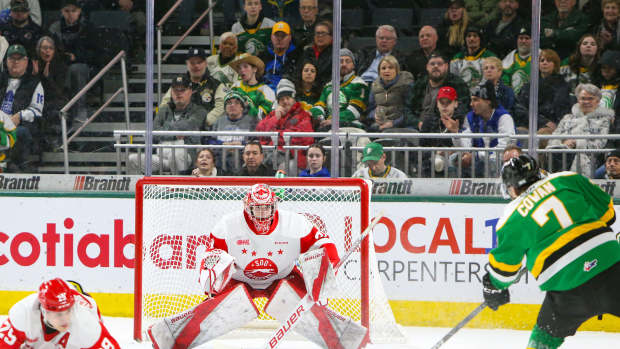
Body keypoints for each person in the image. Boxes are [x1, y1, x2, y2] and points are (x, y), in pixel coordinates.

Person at [147, 183, 369, 349]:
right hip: (238, 278)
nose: (263, 214)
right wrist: (212, 280)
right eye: (257, 209)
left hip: (282, 277)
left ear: (274, 206)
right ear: (247, 207)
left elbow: (323, 243)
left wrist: (330, 263)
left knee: (310, 306)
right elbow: (210, 258)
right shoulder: (227, 226)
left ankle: (342, 339)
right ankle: (173, 337)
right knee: (212, 308)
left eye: (267, 208)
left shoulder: (294, 223)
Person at [482, 154, 620, 349]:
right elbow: (608, 213)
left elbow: (504, 271)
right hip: (611, 267)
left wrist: (492, 287)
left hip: (566, 290)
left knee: (542, 341)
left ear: (511, 187)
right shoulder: (568, 179)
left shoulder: (511, 217)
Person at [0, 278, 121, 348]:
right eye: (58, 314)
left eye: (68, 311)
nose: (65, 319)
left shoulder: (86, 324)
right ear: (44, 311)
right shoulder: (23, 314)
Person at [128, 75, 203, 175]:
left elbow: (186, 126)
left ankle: (178, 188)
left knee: (175, 155)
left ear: (190, 92)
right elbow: (153, 132)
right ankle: (148, 188)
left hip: (186, 157)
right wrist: (174, 135)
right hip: (162, 157)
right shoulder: (164, 110)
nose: (178, 93)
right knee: (133, 158)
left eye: (182, 90)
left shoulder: (198, 110)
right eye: (176, 90)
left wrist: (165, 129)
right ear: (171, 92)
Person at [444, 81, 516, 177]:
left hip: (504, 162)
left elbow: (503, 150)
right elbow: (466, 148)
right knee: (453, 158)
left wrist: (475, 155)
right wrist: (456, 133)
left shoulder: (504, 118)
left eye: (475, 100)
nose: (471, 104)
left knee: (492, 162)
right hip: (480, 161)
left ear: (488, 101)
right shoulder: (471, 117)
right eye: (471, 100)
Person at [546, 83, 613, 176]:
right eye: (583, 98)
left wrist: (576, 143)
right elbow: (553, 139)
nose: (586, 102)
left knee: (578, 158)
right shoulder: (567, 118)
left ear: (598, 101)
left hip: (589, 160)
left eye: (590, 98)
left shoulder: (604, 120)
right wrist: (563, 144)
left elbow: (600, 144)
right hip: (561, 157)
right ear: (578, 100)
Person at [48, 0, 95, 125]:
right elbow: (50, 48)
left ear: (79, 11)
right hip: (59, 63)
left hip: (83, 64)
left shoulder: (88, 27)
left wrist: (76, 56)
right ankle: (57, 110)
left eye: (74, 11)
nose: (70, 14)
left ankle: (80, 109)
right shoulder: (54, 28)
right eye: (67, 11)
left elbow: (94, 53)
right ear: (61, 12)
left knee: (76, 70)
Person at [255, 78, 314, 171]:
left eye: (288, 98)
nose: (285, 102)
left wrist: (274, 135)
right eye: (282, 99)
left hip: (292, 156)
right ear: (278, 102)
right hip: (270, 154)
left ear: (293, 99)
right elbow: (259, 132)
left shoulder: (303, 115)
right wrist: (275, 119)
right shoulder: (273, 115)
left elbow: (303, 138)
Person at [2, 44, 43, 173]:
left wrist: (20, 116)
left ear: (26, 61)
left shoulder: (34, 83)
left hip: (18, 125)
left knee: (20, 132)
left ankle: (11, 166)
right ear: (6, 61)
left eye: (18, 59)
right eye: (11, 59)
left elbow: (37, 110)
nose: (15, 62)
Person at [160, 47, 223, 128]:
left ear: (206, 63)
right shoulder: (177, 83)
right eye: (192, 63)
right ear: (187, 63)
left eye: (199, 62)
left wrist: (200, 122)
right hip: (180, 131)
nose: (196, 66)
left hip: (207, 132)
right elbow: (165, 105)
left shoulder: (216, 85)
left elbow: (221, 107)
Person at [408, 52, 470, 130]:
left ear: (446, 66)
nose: (436, 66)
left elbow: (463, 110)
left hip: (445, 127)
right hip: (416, 128)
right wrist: (417, 123)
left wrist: (437, 125)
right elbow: (407, 109)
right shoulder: (419, 84)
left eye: (439, 64)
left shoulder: (457, 84)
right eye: (432, 64)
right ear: (427, 67)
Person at [310, 48, 369, 131]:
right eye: (340, 61)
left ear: (353, 65)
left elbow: (354, 112)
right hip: (328, 126)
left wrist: (333, 120)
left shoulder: (359, 84)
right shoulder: (328, 86)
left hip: (351, 126)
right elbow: (320, 106)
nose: (344, 64)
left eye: (347, 61)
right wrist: (318, 117)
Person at [514, 49, 571, 132]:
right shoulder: (529, 85)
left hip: (554, 126)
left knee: (543, 133)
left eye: (549, 60)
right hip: (531, 124)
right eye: (542, 60)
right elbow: (521, 109)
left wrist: (548, 123)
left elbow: (560, 110)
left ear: (555, 65)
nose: (545, 63)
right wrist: (542, 121)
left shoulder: (562, 86)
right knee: (518, 131)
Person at [207, 91, 258, 172]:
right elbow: (210, 141)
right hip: (220, 161)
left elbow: (256, 141)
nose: (232, 105)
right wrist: (222, 145)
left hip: (244, 161)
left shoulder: (252, 121)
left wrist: (242, 145)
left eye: (237, 103)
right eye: (229, 103)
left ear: (242, 107)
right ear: (225, 108)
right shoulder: (218, 121)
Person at [32, 36, 67, 151]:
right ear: (38, 49)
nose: (47, 51)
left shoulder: (60, 66)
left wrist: (48, 77)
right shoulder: (33, 65)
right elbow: (29, 89)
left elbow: (59, 91)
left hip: (53, 101)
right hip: (35, 101)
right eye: (44, 48)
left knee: (54, 111)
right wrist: (35, 75)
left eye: (50, 48)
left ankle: (53, 142)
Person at [367, 55, 414, 132]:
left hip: (401, 123)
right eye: (383, 68)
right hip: (379, 124)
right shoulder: (374, 86)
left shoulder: (406, 84)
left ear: (397, 70)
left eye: (391, 68)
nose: (386, 71)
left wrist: (393, 123)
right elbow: (370, 108)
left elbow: (409, 111)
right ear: (379, 72)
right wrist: (374, 116)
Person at [450, 25, 497, 91]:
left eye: (475, 36)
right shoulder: (457, 58)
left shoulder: (490, 57)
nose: (471, 39)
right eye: (469, 36)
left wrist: (477, 92)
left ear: (480, 39)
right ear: (465, 39)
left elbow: (491, 79)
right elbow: (453, 79)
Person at [258, 21, 302, 91]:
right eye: (276, 35)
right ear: (271, 37)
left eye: (283, 36)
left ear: (290, 37)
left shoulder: (298, 55)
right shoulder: (263, 56)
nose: (279, 39)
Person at [229, 53, 275, 119]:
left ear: (255, 69)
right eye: (239, 68)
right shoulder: (235, 86)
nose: (242, 70)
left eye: (245, 66)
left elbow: (263, 117)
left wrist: (249, 107)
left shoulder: (266, 91)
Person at [559, 34, 601, 99]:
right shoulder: (567, 63)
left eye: (592, 44)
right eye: (585, 43)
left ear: (597, 49)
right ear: (579, 47)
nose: (588, 46)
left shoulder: (601, 67)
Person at [502, 27, 533, 96]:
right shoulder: (509, 58)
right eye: (521, 38)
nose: (523, 41)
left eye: (527, 38)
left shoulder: (540, 56)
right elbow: (505, 80)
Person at [301, 20, 333, 86]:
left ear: (331, 36)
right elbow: (299, 72)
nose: (320, 36)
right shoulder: (308, 51)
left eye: (323, 33)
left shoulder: (335, 53)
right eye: (317, 33)